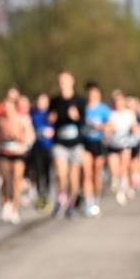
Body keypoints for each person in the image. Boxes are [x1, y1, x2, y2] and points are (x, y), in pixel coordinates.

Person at [48, 70, 86, 219]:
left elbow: (84, 122)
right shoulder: (55, 100)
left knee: (73, 176)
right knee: (60, 173)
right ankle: (61, 195)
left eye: (65, 80)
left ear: (72, 82)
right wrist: (51, 119)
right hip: (60, 142)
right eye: (60, 81)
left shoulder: (79, 100)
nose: (62, 84)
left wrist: (76, 117)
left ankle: (71, 204)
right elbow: (50, 119)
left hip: (76, 143)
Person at [0, 97, 34, 224]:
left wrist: (22, 142)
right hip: (4, 152)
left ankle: (15, 208)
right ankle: (6, 202)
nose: (7, 109)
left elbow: (30, 136)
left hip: (18, 152)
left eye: (9, 106)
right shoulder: (0, 121)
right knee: (6, 179)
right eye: (5, 106)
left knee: (17, 180)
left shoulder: (23, 119)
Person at [80, 81, 110, 218]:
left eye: (95, 93)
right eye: (90, 93)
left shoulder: (103, 109)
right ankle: (89, 202)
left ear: (99, 94)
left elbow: (110, 126)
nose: (92, 95)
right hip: (85, 143)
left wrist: (101, 127)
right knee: (86, 173)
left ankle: (96, 198)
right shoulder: (83, 108)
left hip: (98, 143)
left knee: (95, 174)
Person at [105, 90, 137, 206]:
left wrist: (136, 129)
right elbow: (107, 128)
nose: (118, 103)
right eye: (115, 101)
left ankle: (122, 191)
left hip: (126, 145)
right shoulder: (110, 114)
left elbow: (134, 127)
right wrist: (108, 128)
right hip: (113, 145)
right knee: (114, 171)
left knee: (123, 168)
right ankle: (118, 185)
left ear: (123, 101)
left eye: (120, 101)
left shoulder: (129, 114)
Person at [27, 92, 54, 210]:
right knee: (38, 173)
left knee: (47, 173)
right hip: (36, 147)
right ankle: (39, 196)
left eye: (44, 101)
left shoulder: (51, 114)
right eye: (39, 100)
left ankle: (47, 196)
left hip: (49, 147)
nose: (41, 103)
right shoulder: (32, 113)